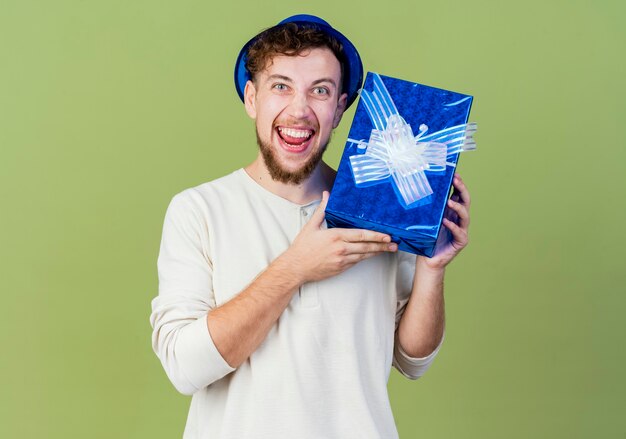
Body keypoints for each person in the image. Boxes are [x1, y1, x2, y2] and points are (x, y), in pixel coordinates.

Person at [150, 14, 471, 439]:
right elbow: (185, 368)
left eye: (320, 91)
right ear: (251, 98)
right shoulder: (198, 210)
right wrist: (295, 268)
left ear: (339, 109)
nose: (299, 110)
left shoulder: (380, 208)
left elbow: (413, 360)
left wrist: (433, 267)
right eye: (280, 86)